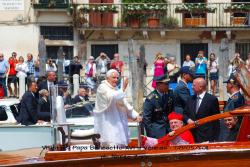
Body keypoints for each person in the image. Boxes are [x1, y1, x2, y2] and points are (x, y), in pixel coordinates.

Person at [93, 69, 141, 147]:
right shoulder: (102, 87)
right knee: (112, 144)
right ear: (107, 78)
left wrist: (135, 115)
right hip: (108, 122)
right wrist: (123, 89)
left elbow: (124, 103)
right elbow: (111, 97)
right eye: (113, 78)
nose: (116, 80)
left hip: (119, 122)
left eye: (117, 78)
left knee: (120, 144)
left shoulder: (115, 89)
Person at [183, 77, 220, 143]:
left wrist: (216, 138)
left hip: (206, 136)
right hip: (192, 135)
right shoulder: (190, 99)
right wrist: (188, 120)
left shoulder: (212, 99)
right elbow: (185, 114)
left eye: (194, 85)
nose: (192, 87)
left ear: (200, 87)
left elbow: (216, 120)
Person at [219, 74, 245, 141]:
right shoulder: (235, 97)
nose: (226, 86)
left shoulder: (235, 99)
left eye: (227, 84)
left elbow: (231, 120)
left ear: (231, 85)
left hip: (230, 134)